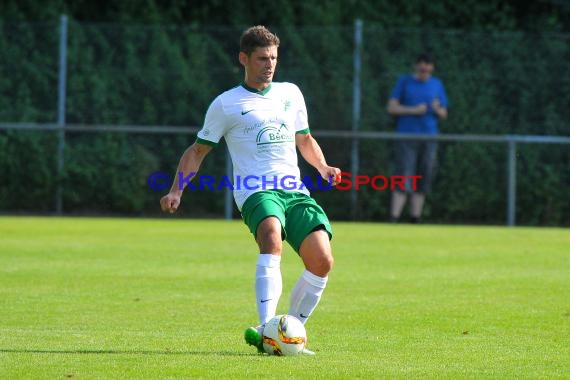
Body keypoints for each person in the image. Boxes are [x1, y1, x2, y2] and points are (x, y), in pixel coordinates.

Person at [159, 25, 340, 355]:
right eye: (261, 58)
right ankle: (265, 326)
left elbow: (304, 140)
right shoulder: (226, 104)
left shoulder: (291, 94)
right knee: (271, 237)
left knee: (322, 261)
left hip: (294, 190)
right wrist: (176, 191)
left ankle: (288, 332)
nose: (269, 64)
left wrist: (323, 167)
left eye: (273, 58)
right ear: (244, 59)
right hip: (256, 191)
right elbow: (196, 151)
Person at [386, 53, 448, 223]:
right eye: (421, 66)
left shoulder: (437, 84)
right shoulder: (404, 82)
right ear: (416, 66)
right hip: (406, 137)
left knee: (423, 177)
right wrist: (413, 110)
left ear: (431, 68)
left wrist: (436, 108)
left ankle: (415, 218)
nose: (424, 69)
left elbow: (444, 113)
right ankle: (394, 218)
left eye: (427, 66)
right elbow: (392, 108)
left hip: (429, 138)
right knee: (404, 176)